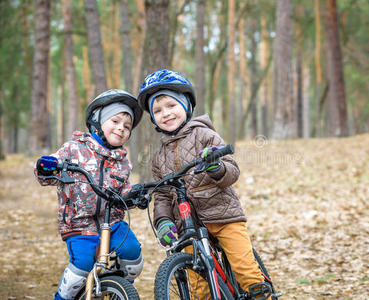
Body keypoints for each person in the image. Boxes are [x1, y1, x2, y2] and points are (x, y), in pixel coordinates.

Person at [137, 69, 271, 299]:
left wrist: (216, 167)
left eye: (171, 105)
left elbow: (232, 171)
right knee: (199, 287)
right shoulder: (159, 156)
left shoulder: (205, 135)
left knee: (245, 270)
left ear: (186, 105)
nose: (165, 113)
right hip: (187, 227)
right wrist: (163, 221)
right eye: (157, 110)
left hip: (222, 216)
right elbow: (161, 197)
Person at [35, 89, 146, 300]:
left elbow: (123, 193)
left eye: (126, 126)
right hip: (79, 224)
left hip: (111, 222)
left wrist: (135, 197)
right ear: (97, 120)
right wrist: (45, 167)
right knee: (83, 265)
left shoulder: (122, 162)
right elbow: (46, 176)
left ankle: (117, 288)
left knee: (133, 256)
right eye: (115, 121)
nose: (121, 129)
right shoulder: (73, 150)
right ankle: (63, 297)